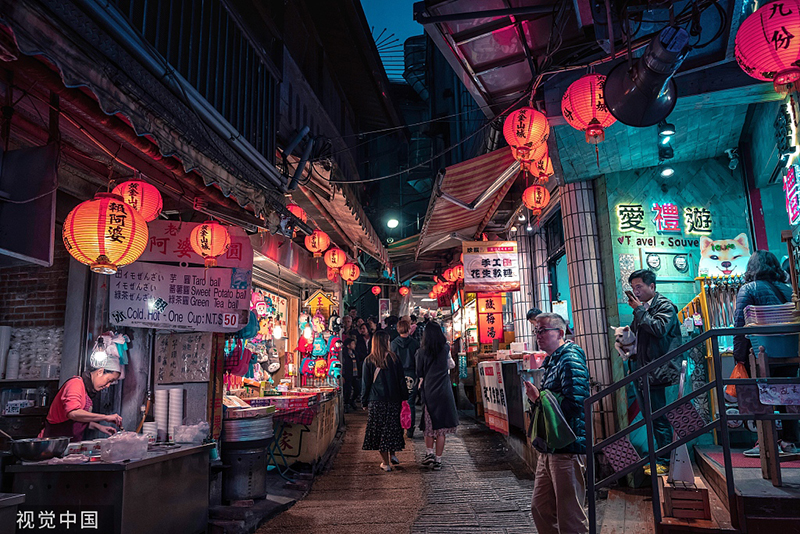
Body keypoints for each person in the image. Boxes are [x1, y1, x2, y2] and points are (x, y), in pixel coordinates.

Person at [524, 313, 590, 534]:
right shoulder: (553, 358)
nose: (538, 336)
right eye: (536, 331)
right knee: (541, 508)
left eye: (543, 331)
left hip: (568, 445)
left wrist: (538, 398)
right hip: (551, 445)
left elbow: (576, 402)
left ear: (560, 333)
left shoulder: (570, 358)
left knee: (570, 515)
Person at [733, 251, 797, 456]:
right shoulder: (789, 290)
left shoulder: (748, 289)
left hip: (762, 353)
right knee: (787, 395)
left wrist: (739, 356)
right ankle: (790, 441)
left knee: (762, 395)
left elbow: (740, 325)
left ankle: (765, 442)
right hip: (790, 352)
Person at [627, 268, 682, 475]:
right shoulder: (644, 308)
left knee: (659, 417)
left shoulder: (665, 306)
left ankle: (666, 460)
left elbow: (659, 329)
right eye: (633, 288)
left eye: (639, 287)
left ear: (652, 286)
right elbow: (638, 333)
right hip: (645, 371)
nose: (636, 292)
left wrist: (639, 310)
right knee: (651, 416)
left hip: (659, 372)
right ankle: (660, 457)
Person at [39, 354, 123, 442]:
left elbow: (77, 421)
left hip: (69, 445)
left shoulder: (88, 391)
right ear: (100, 372)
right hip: (52, 444)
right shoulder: (76, 383)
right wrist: (105, 417)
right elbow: (73, 413)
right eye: (109, 380)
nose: (108, 385)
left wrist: (99, 427)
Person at [362, 331, 407, 471]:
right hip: (394, 400)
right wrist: (404, 397)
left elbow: (366, 383)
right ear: (386, 342)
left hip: (376, 401)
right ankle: (393, 454)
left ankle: (386, 463)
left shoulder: (369, 360)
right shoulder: (395, 359)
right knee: (392, 428)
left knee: (380, 432)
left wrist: (364, 402)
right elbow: (401, 380)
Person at [417, 321, 459, 471]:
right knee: (440, 428)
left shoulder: (421, 352)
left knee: (429, 424)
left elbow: (419, 372)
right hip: (444, 391)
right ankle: (438, 460)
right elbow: (451, 365)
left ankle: (429, 453)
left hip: (429, 391)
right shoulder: (445, 348)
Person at [391, 318, 420, 438]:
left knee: (397, 402)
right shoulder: (415, 343)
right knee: (410, 403)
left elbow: (391, 361)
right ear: (409, 329)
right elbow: (418, 361)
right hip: (412, 374)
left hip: (397, 374)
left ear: (398, 329)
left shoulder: (393, 344)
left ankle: (399, 426)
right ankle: (410, 428)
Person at [341, 337, 359, 412]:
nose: (354, 345)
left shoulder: (355, 353)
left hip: (355, 374)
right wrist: (343, 375)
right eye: (352, 344)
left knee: (357, 389)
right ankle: (346, 403)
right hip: (348, 375)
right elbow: (344, 365)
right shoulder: (344, 355)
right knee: (347, 390)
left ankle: (352, 401)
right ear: (348, 345)